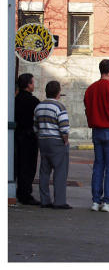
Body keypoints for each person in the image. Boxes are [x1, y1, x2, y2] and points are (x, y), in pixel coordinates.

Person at [84, 59, 109, 212]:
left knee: (98, 166)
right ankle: (107, 201)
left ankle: (95, 201)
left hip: (97, 130)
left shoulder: (91, 89)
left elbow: (87, 107)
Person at [34, 81, 71, 209]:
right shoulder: (59, 107)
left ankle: (45, 200)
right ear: (58, 93)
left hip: (43, 140)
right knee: (60, 171)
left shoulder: (39, 107)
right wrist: (65, 140)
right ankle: (59, 201)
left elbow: (35, 126)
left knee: (44, 171)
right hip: (57, 142)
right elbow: (64, 127)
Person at [14, 73, 41, 205]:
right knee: (29, 166)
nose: (33, 85)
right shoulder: (33, 101)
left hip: (17, 135)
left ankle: (19, 191)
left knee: (19, 164)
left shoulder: (15, 99)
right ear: (28, 85)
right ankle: (25, 194)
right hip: (29, 137)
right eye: (32, 83)